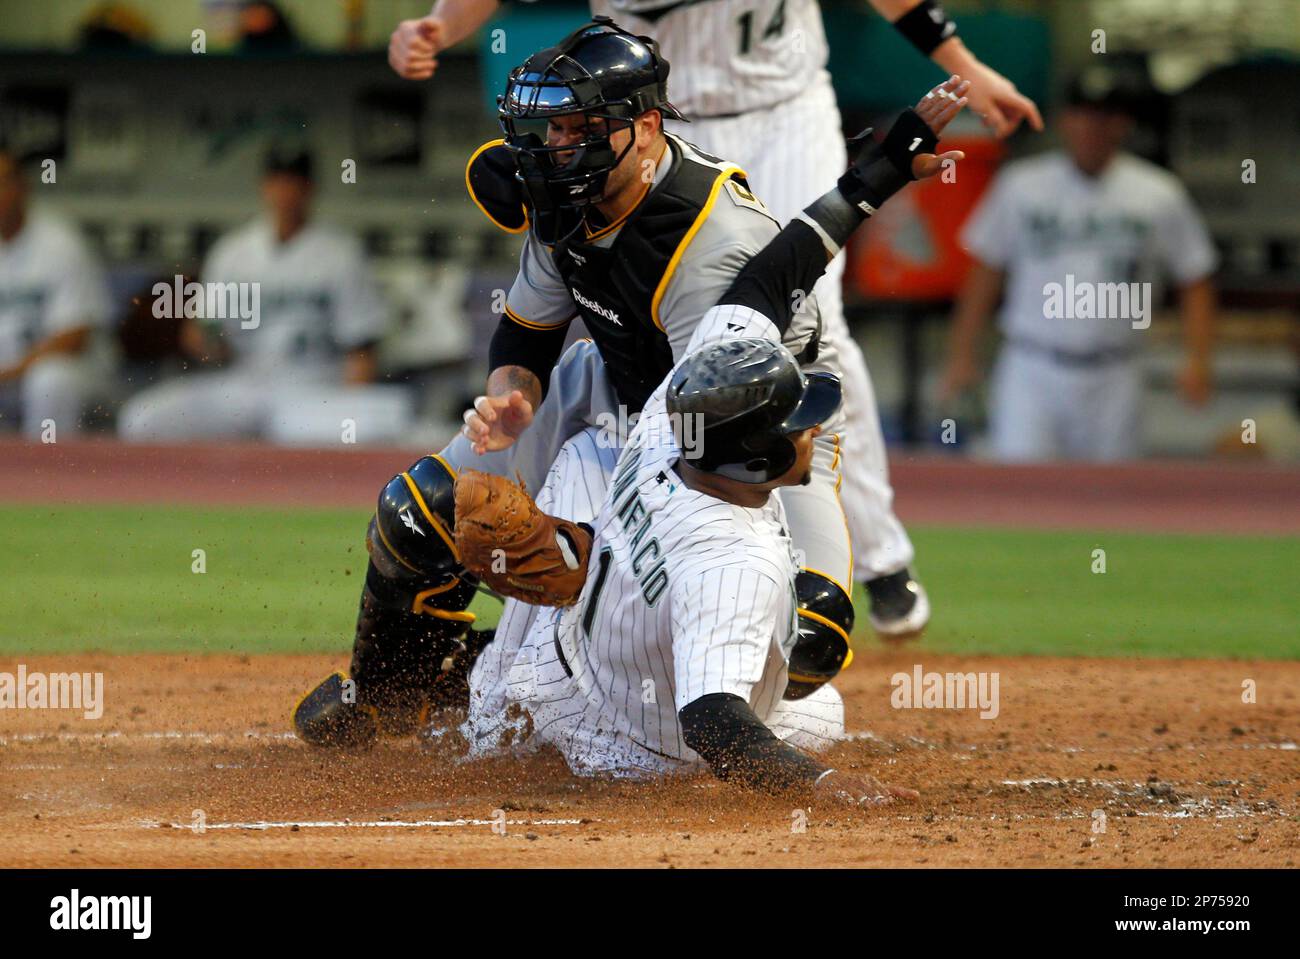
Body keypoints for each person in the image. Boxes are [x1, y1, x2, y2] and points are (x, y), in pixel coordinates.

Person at [291, 21, 966, 750]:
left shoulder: (706, 242)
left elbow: (700, 446)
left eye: (577, 128)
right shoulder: (568, 194)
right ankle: (392, 694)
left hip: (759, 430)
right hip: (610, 384)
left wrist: (584, 554)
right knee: (419, 514)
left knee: (812, 640)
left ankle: (569, 685)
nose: (554, 147)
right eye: (547, 129)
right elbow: (527, 334)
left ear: (643, 129)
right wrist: (514, 395)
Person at [389, 0, 1043, 638]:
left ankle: (875, 557)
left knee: (804, 331)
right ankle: (617, 567)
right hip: (631, 120)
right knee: (620, 321)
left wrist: (965, 65)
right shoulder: (574, 156)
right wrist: (440, 27)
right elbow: (529, 332)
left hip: (777, 112)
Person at [450, 93, 962, 799]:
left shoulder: (669, 411)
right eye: (794, 424)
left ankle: (493, 665)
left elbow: (772, 271)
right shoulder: (737, 561)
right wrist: (827, 787)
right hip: (629, 748)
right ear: (759, 461)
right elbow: (714, 723)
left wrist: (878, 172)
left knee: (577, 469)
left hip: (566, 661)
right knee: (813, 711)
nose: (809, 428)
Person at [940, 70, 1219, 461]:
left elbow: (1195, 275)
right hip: (1033, 365)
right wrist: (962, 355)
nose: (1092, 127)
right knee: (1022, 492)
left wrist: (1199, 360)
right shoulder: (1022, 185)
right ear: (1065, 120)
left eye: (1104, 116)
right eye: (1083, 114)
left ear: (1123, 123)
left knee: (1112, 500)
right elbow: (986, 270)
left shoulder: (1158, 194)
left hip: (1116, 368)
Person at [118, 149, 403, 445]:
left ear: (309, 189)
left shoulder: (341, 254)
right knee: (143, 418)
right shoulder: (233, 252)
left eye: (293, 183)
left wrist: (349, 406)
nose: (284, 192)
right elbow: (201, 337)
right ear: (265, 186)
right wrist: (207, 339)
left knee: (369, 426)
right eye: (278, 182)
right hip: (245, 383)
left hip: (313, 388)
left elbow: (361, 351)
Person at [0, 147, 113, 439]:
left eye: (1, 183)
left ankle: (47, 478)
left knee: (50, 380)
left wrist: (9, 374)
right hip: (8, 380)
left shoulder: (60, 244)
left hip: (77, 373)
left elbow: (73, 338)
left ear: (22, 187)